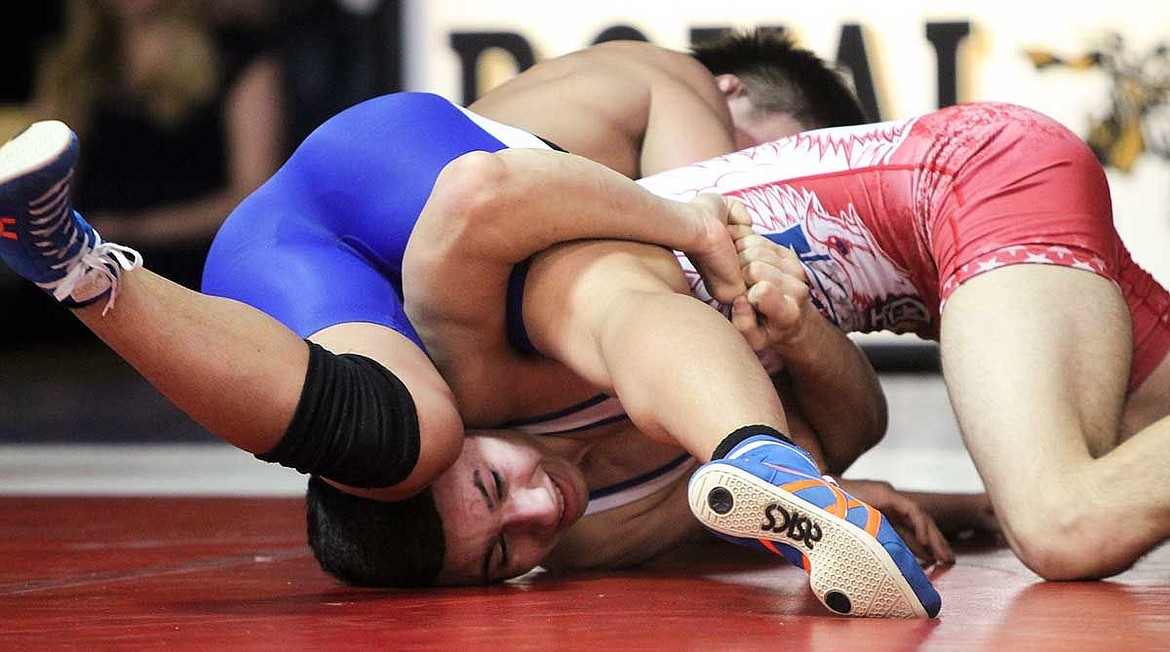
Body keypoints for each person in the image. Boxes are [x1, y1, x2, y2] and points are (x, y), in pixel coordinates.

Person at [0, 30, 948, 618]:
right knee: (638, 289)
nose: (539, 512)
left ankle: (76, 267)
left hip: (295, 259)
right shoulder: (678, 83)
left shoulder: (513, 469)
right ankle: (756, 450)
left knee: (409, 436)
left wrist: (942, 509)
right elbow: (677, 217)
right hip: (408, 183)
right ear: (738, 94)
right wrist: (697, 225)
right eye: (506, 544)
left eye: (499, 501)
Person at [436, 98, 1170, 583]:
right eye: (501, 554)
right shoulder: (589, 536)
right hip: (944, 277)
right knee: (1128, 473)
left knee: (1064, 522)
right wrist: (804, 336)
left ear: (456, 435)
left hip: (962, 182)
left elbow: (495, 199)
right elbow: (847, 433)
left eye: (492, 486)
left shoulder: (537, 340)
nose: (536, 512)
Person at [25, 0, 285, 292]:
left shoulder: (239, 56)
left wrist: (135, 230)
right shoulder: (70, 65)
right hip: (84, 270)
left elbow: (250, 195)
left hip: (194, 266)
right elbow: (40, 182)